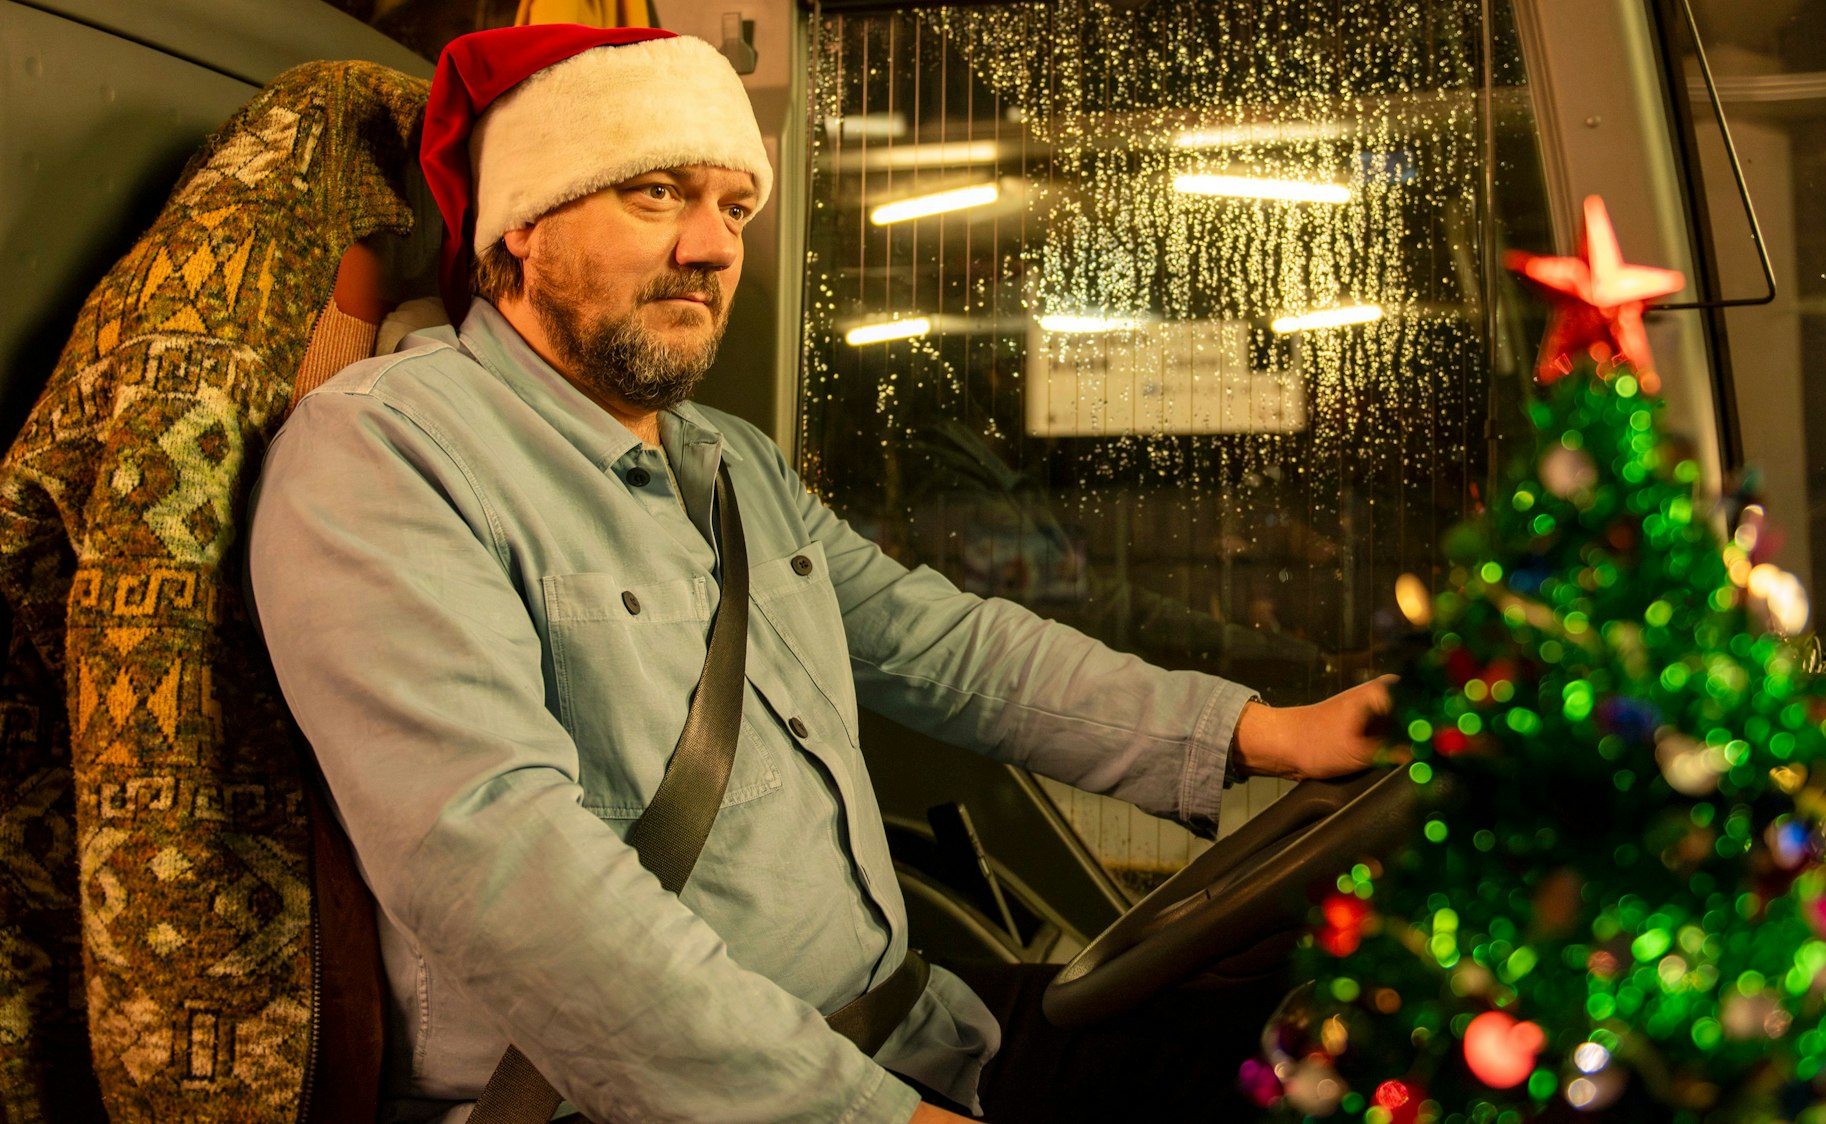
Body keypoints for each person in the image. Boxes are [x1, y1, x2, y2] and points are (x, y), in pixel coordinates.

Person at [245, 24, 1389, 1124]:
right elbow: (500, 864)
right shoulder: (389, 453)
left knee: (1345, 1034)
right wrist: (873, 1116)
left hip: (919, 1032)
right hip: (687, 1102)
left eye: (734, 204)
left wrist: (1266, 733)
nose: (713, 244)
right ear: (521, 229)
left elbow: (942, 645)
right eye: (656, 193)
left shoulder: (724, 456)